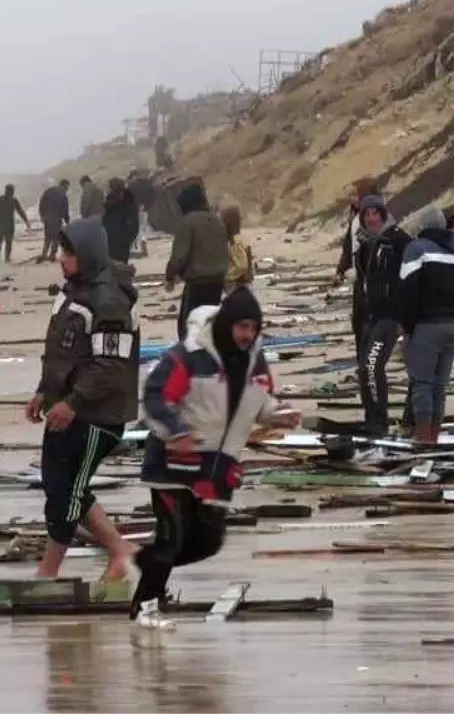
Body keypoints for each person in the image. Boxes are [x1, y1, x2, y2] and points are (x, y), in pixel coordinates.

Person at [132, 288, 299, 628]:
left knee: (208, 542)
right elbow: (155, 397)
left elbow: (259, 401)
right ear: (226, 324)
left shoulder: (256, 359)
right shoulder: (189, 356)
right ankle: (144, 609)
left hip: (219, 469)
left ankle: (138, 562)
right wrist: (177, 433)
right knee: (171, 539)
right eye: (241, 327)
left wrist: (276, 414)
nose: (247, 335)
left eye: (253, 328)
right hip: (174, 463)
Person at [24, 218, 140, 583]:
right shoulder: (73, 292)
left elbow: (111, 366)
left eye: (68, 252)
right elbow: (59, 352)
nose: (61, 258)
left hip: (96, 414)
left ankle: (48, 572)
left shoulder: (109, 301)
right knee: (58, 483)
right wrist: (44, 391)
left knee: (67, 491)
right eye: (61, 251)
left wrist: (73, 403)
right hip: (67, 409)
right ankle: (121, 549)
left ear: (86, 254)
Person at [399, 207, 454, 444]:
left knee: (422, 384)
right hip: (452, 326)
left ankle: (424, 439)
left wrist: (407, 328)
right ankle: (435, 436)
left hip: (426, 325)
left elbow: (408, 292)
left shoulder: (416, 250)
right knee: (439, 386)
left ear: (422, 227)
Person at [353, 194, 410, 437]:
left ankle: (380, 421)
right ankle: (371, 417)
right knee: (364, 370)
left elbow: (412, 274)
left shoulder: (397, 239)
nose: (371, 218)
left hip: (390, 316)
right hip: (370, 316)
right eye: (367, 215)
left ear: (383, 214)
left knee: (372, 366)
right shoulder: (366, 244)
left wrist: (404, 316)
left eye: (375, 213)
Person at [164, 182, 228, 340]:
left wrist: (170, 276)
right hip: (218, 282)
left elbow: (179, 256)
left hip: (197, 283)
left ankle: (191, 359)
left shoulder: (189, 222)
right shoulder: (216, 220)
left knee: (188, 327)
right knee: (209, 324)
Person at [335, 178, 379, 360]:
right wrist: (340, 270)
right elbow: (348, 247)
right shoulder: (355, 218)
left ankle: (370, 364)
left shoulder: (374, 221)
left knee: (369, 324)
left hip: (372, 281)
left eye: (355, 194)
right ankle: (363, 362)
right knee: (359, 323)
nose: (351, 199)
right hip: (358, 280)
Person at [101, 177, 140, 264]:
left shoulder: (125, 204)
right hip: (115, 240)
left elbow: (131, 226)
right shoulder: (111, 203)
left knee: (117, 264)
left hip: (117, 240)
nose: (108, 190)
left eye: (109, 187)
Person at [0, 184, 30, 265]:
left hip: (0, 224)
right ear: (12, 191)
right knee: (7, 242)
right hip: (8, 225)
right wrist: (26, 221)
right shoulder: (13, 200)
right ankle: (6, 258)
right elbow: (20, 211)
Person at [222, 206, 255, 293]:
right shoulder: (242, 240)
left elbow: (243, 266)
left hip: (235, 285)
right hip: (243, 284)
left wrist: (226, 277)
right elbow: (248, 265)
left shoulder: (232, 242)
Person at [38, 179, 71, 263]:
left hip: (47, 218)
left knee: (47, 237)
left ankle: (44, 254)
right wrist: (67, 221)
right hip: (56, 218)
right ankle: (52, 255)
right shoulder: (63, 194)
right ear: (64, 185)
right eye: (67, 187)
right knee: (56, 237)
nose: (67, 190)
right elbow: (65, 209)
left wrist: (42, 215)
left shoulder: (49, 191)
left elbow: (41, 203)